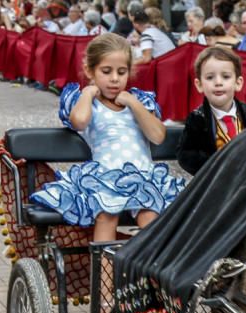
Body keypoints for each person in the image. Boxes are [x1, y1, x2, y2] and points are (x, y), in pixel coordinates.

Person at [31, 33, 184, 242]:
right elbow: (79, 121)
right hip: (105, 177)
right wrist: (87, 92)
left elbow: (158, 136)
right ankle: (104, 273)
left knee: (151, 215)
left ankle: (152, 271)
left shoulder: (139, 102)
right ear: (90, 71)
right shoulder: (88, 103)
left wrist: (133, 103)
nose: (114, 78)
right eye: (106, 71)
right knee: (106, 215)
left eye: (121, 72)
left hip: (142, 176)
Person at [176, 47, 246, 175]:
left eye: (225, 77)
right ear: (199, 85)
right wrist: (214, 167)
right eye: (210, 77)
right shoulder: (197, 118)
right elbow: (186, 155)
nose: (218, 82)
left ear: (238, 83)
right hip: (216, 184)